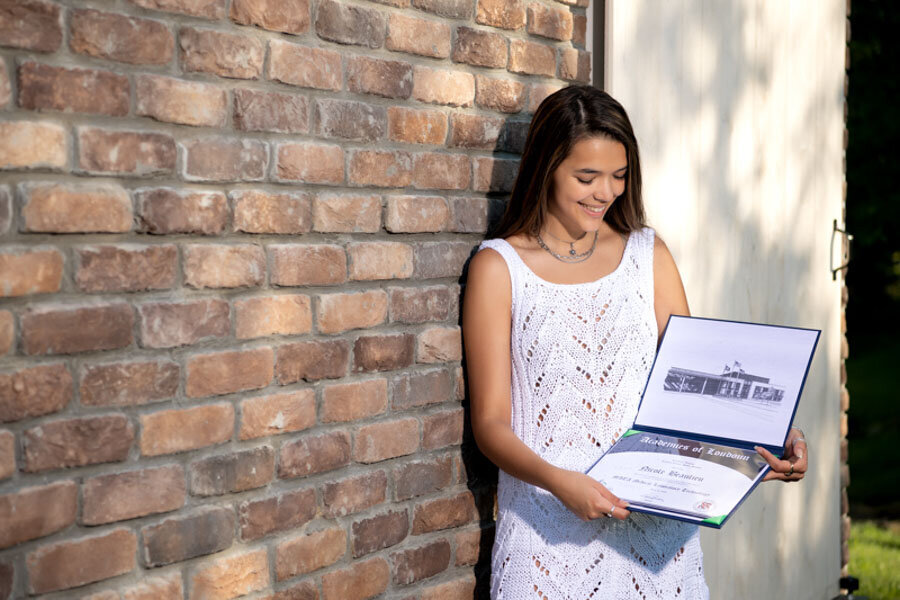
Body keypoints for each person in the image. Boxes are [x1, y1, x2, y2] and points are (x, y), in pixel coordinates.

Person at [462, 85, 808, 599]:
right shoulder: (499, 268)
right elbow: (490, 425)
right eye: (586, 177)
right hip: (545, 542)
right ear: (545, 168)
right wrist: (562, 482)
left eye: (619, 177)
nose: (605, 192)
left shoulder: (650, 255)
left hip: (658, 549)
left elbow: (699, 395)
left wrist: (767, 440)